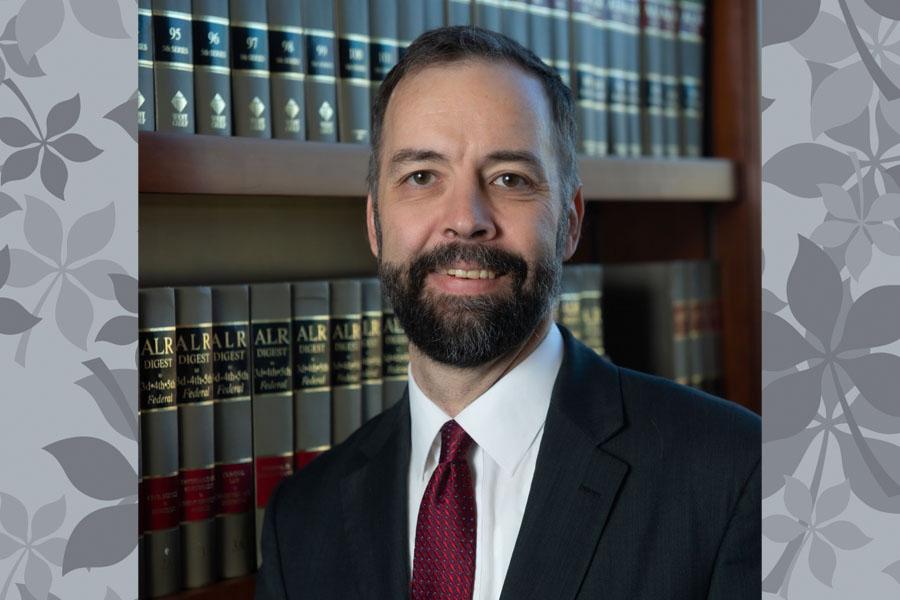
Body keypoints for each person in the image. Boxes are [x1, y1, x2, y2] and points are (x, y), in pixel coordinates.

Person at [256, 26, 760, 600]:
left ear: (569, 222)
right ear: (375, 223)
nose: (466, 218)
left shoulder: (736, 474)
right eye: (422, 176)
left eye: (509, 179)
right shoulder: (301, 521)